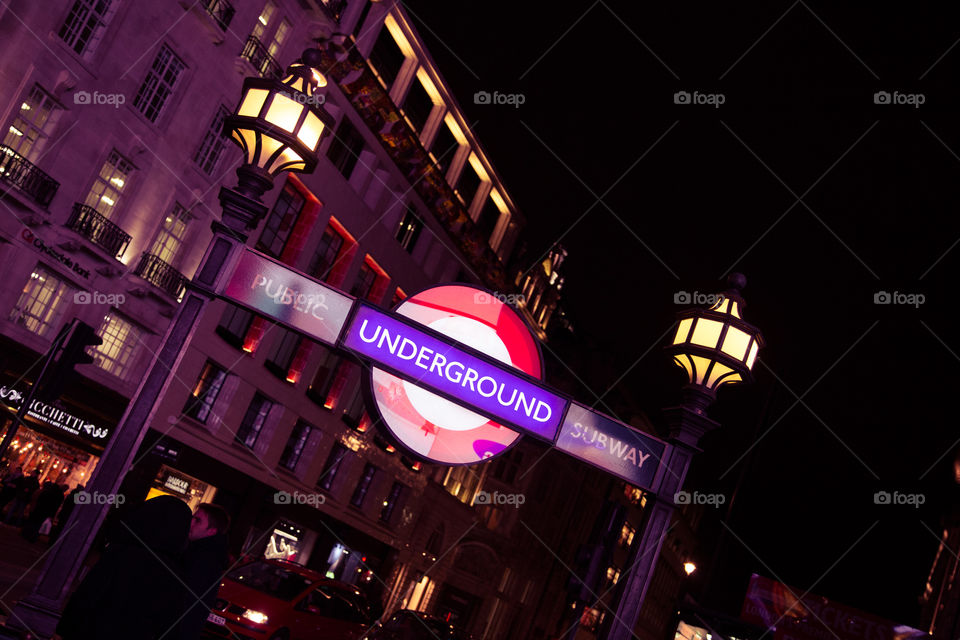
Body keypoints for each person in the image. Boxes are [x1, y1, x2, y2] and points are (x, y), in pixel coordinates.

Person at [57, 495, 193, 639]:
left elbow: (86, 597)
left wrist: (64, 630)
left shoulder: (121, 553)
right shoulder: (176, 575)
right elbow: (169, 625)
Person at [175, 503, 231, 640]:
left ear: (211, 531)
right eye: (193, 518)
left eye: (198, 520)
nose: (191, 522)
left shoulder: (203, 558)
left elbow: (186, 599)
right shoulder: (200, 552)